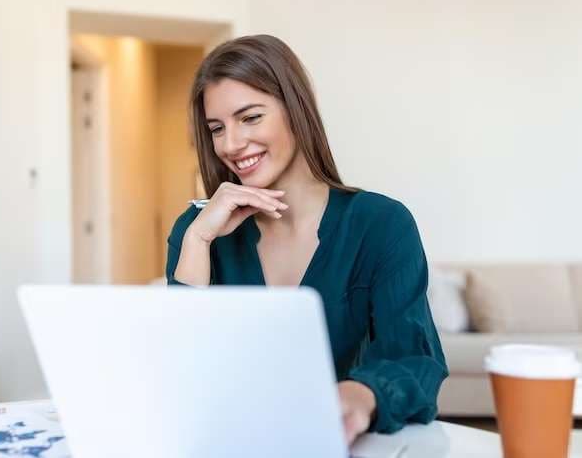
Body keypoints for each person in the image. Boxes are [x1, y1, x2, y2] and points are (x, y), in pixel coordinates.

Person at [165, 34, 447, 445]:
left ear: (295, 110)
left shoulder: (382, 224)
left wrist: (356, 396)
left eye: (250, 117)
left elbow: (415, 360)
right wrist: (197, 243)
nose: (230, 144)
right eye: (216, 128)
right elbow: (174, 375)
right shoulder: (197, 231)